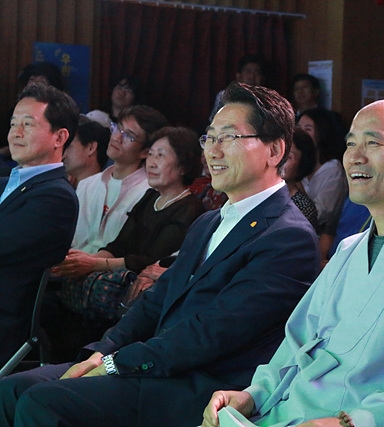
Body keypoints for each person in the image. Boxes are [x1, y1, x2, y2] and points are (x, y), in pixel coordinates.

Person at [0, 82, 320, 427]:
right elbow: (156, 301)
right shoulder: (208, 221)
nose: (212, 151)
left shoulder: (288, 236)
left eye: (228, 137)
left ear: (274, 150)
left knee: (44, 402)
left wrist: (117, 363)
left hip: (201, 385)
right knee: (12, 389)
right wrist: (103, 351)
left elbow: (212, 332)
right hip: (155, 367)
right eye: (209, 138)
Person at [202, 99, 384, 427]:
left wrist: (349, 423)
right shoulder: (348, 250)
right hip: (280, 415)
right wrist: (253, 395)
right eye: (350, 143)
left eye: (373, 143)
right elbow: (297, 344)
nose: (355, 156)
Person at [51, 127, 206, 347]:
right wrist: (85, 260)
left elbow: (150, 260)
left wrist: (93, 265)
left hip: (141, 285)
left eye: (161, 155)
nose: (152, 163)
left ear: (183, 165)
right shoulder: (150, 196)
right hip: (116, 273)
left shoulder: (189, 209)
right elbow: (120, 244)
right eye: (150, 154)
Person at [0, 83, 79, 366]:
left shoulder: (56, 197)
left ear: (59, 137)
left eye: (28, 124)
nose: (15, 133)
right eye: (13, 124)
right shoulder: (7, 183)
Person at [69, 105, 169, 254]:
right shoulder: (87, 184)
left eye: (128, 136)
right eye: (117, 128)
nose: (116, 138)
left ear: (145, 152)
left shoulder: (149, 193)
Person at [298, 107, 348, 235]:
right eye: (298, 128)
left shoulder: (333, 169)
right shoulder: (299, 163)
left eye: (308, 129)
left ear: (322, 133)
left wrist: (295, 183)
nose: (300, 134)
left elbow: (321, 215)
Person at [208, 55, 266, 122]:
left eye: (257, 73)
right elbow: (214, 121)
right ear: (239, 76)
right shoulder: (224, 95)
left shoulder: (267, 99)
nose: (252, 77)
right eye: (248, 71)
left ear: (263, 78)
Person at [284, 128, 319, 232]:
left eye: (288, 156)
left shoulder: (303, 207)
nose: (279, 160)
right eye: (276, 152)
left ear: (302, 163)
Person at [62, 118, 111, 187]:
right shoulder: (64, 187)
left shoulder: (103, 191)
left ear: (91, 148)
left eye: (69, 146)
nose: (63, 155)